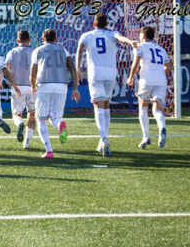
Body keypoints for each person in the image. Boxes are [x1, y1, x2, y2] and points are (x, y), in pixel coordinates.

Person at [75, 13, 137, 157]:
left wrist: (78, 69)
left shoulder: (87, 35)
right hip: (110, 73)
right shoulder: (112, 34)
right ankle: (101, 142)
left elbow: (79, 51)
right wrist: (130, 42)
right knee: (106, 105)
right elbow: (121, 38)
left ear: (94, 24)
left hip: (96, 73)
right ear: (107, 24)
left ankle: (104, 138)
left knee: (98, 105)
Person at [31, 29, 79, 158]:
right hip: (62, 85)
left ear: (43, 39)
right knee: (56, 117)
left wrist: (32, 85)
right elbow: (73, 68)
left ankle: (49, 150)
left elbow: (33, 71)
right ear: (55, 38)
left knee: (40, 119)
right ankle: (60, 124)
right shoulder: (64, 50)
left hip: (45, 84)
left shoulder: (38, 50)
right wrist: (75, 88)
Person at [126, 26, 172, 150]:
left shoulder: (142, 47)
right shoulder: (161, 49)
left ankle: (146, 137)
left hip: (146, 81)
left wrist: (130, 77)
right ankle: (161, 127)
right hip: (161, 81)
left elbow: (136, 63)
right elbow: (168, 67)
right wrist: (161, 74)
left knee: (143, 108)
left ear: (143, 36)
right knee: (157, 110)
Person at [5, 30, 35, 150]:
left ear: (18, 41)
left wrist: (0, 79)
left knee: (16, 114)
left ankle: (19, 123)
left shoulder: (12, 52)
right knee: (32, 115)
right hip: (32, 88)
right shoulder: (35, 51)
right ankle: (27, 143)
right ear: (30, 40)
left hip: (17, 88)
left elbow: (5, 67)